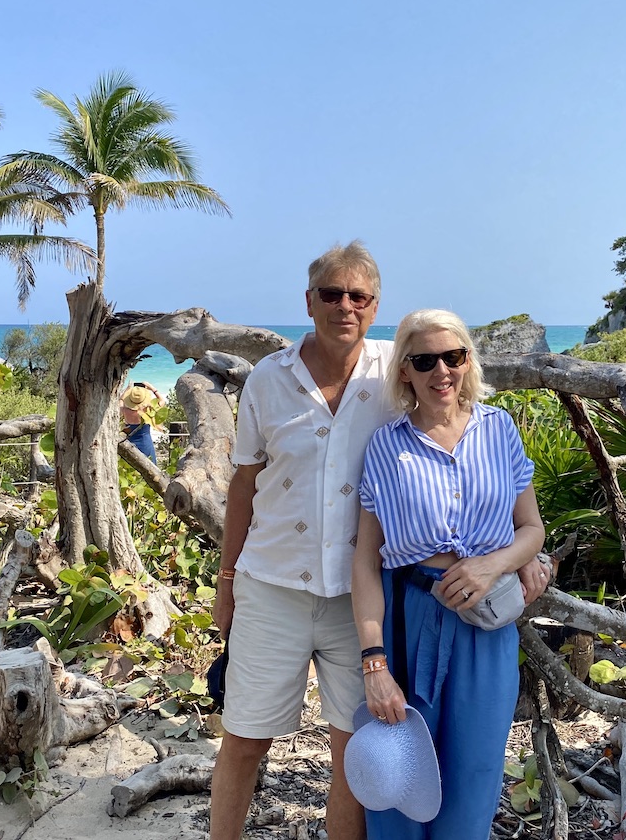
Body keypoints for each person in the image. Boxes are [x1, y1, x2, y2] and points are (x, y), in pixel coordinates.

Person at [208, 240, 398, 840]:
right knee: (243, 739)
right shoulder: (269, 377)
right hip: (272, 587)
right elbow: (244, 485)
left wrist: (519, 544)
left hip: (357, 598)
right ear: (309, 301)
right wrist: (227, 581)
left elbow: (460, 425)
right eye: (332, 294)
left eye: (358, 296)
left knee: (354, 751)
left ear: (374, 306)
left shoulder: (397, 372)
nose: (346, 305)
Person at [351, 308, 548, 840]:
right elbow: (366, 562)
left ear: (467, 361)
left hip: (486, 624)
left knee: (476, 770)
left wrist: (495, 562)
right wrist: (374, 661)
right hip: (408, 620)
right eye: (424, 359)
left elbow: (531, 528)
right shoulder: (385, 446)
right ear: (405, 372)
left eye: (453, 356)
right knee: (398, 763)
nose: (442, 371)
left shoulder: (500, 428)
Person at [120, 381, 164, 464]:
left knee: (130, 470)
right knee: (149, 468)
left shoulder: (124, 410)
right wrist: (152, 389)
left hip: (128, 443)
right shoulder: (148, 410)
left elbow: (120, 400)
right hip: (145, 443)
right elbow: (162, 401)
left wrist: (126, 390)